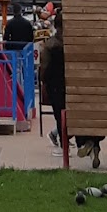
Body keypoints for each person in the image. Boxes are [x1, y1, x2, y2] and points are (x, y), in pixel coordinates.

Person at [40, 14, 66, 154]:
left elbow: (44, 67)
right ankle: (67, 141)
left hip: (54, 83)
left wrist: (44, 80)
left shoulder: (50, 44)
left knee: (59, 114)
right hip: (69, 83)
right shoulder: (72, 43)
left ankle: (64, 146)